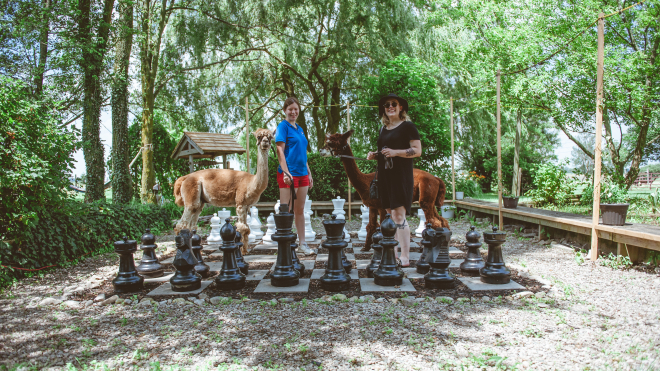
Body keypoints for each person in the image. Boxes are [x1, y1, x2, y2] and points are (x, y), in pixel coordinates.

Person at [367, 93, 422, 267]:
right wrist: (375, 155)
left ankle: (405, 257)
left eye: (394, 104)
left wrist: (395, 152)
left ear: (401, 108)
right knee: (391, 215)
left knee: (399, 215)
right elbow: (386, 152)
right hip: (385, 176)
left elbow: (417, 150)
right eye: (387, 105)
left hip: (401, 176)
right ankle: (394, 255)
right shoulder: (383, 128)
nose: (390, 107)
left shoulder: (408, 127)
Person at [275, 96, 316, 255]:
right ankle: (284, 246)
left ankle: (302, 244)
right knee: (287, 211)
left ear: (299, 111)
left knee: (300, 211)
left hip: (302, 174)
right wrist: (286, 172)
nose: (293, 112)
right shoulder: (282, 126)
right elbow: (280, 150)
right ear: (284, 110)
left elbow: (302, 153)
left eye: (296, 109)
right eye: (290, 109)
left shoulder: (299, 129)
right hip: (288, 175)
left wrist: (309, 173)